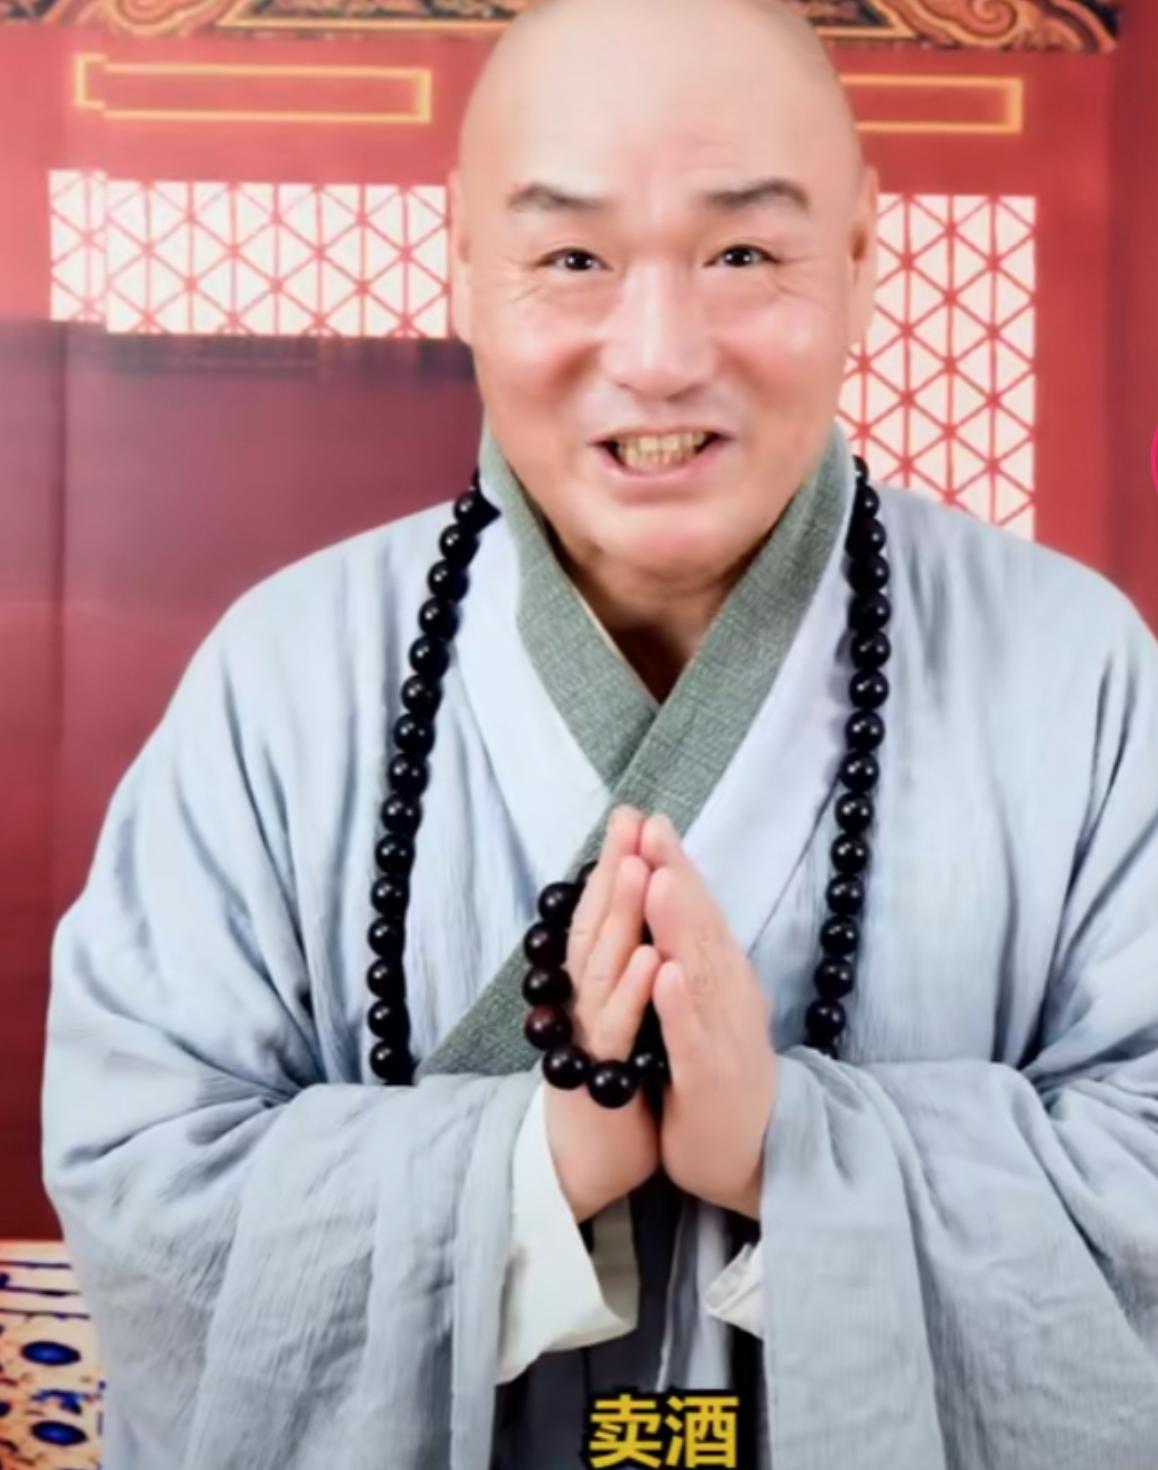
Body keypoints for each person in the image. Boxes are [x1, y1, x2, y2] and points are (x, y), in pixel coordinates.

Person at [41, 0, 1158, 1465]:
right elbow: (145, 1180)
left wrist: (784, 1147)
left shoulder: (1075, 668)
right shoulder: (283, 673)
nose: (659, 356)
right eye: (571, 258)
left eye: (742, 253)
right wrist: (533, 1161)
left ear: (861, 254)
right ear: (463, 263)